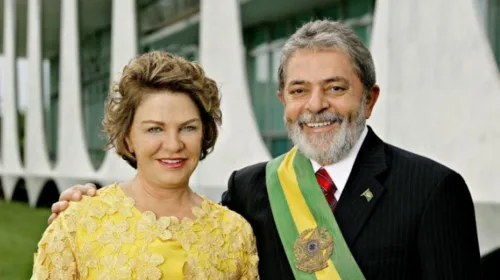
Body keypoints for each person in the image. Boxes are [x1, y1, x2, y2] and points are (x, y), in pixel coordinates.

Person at [49, 20, 481, 279]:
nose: (316, 106)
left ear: (369, 98)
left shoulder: (432, 191)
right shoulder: (251, 189)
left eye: (335, 88)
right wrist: (85, 204)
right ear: (282, 101)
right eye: (299, 90)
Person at [33, 51, 259, 279]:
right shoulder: (77, 222)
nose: (173, 144)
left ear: (204, 134)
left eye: (188, 128)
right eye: (154, 129)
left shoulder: (234, 233)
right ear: (128, 138)